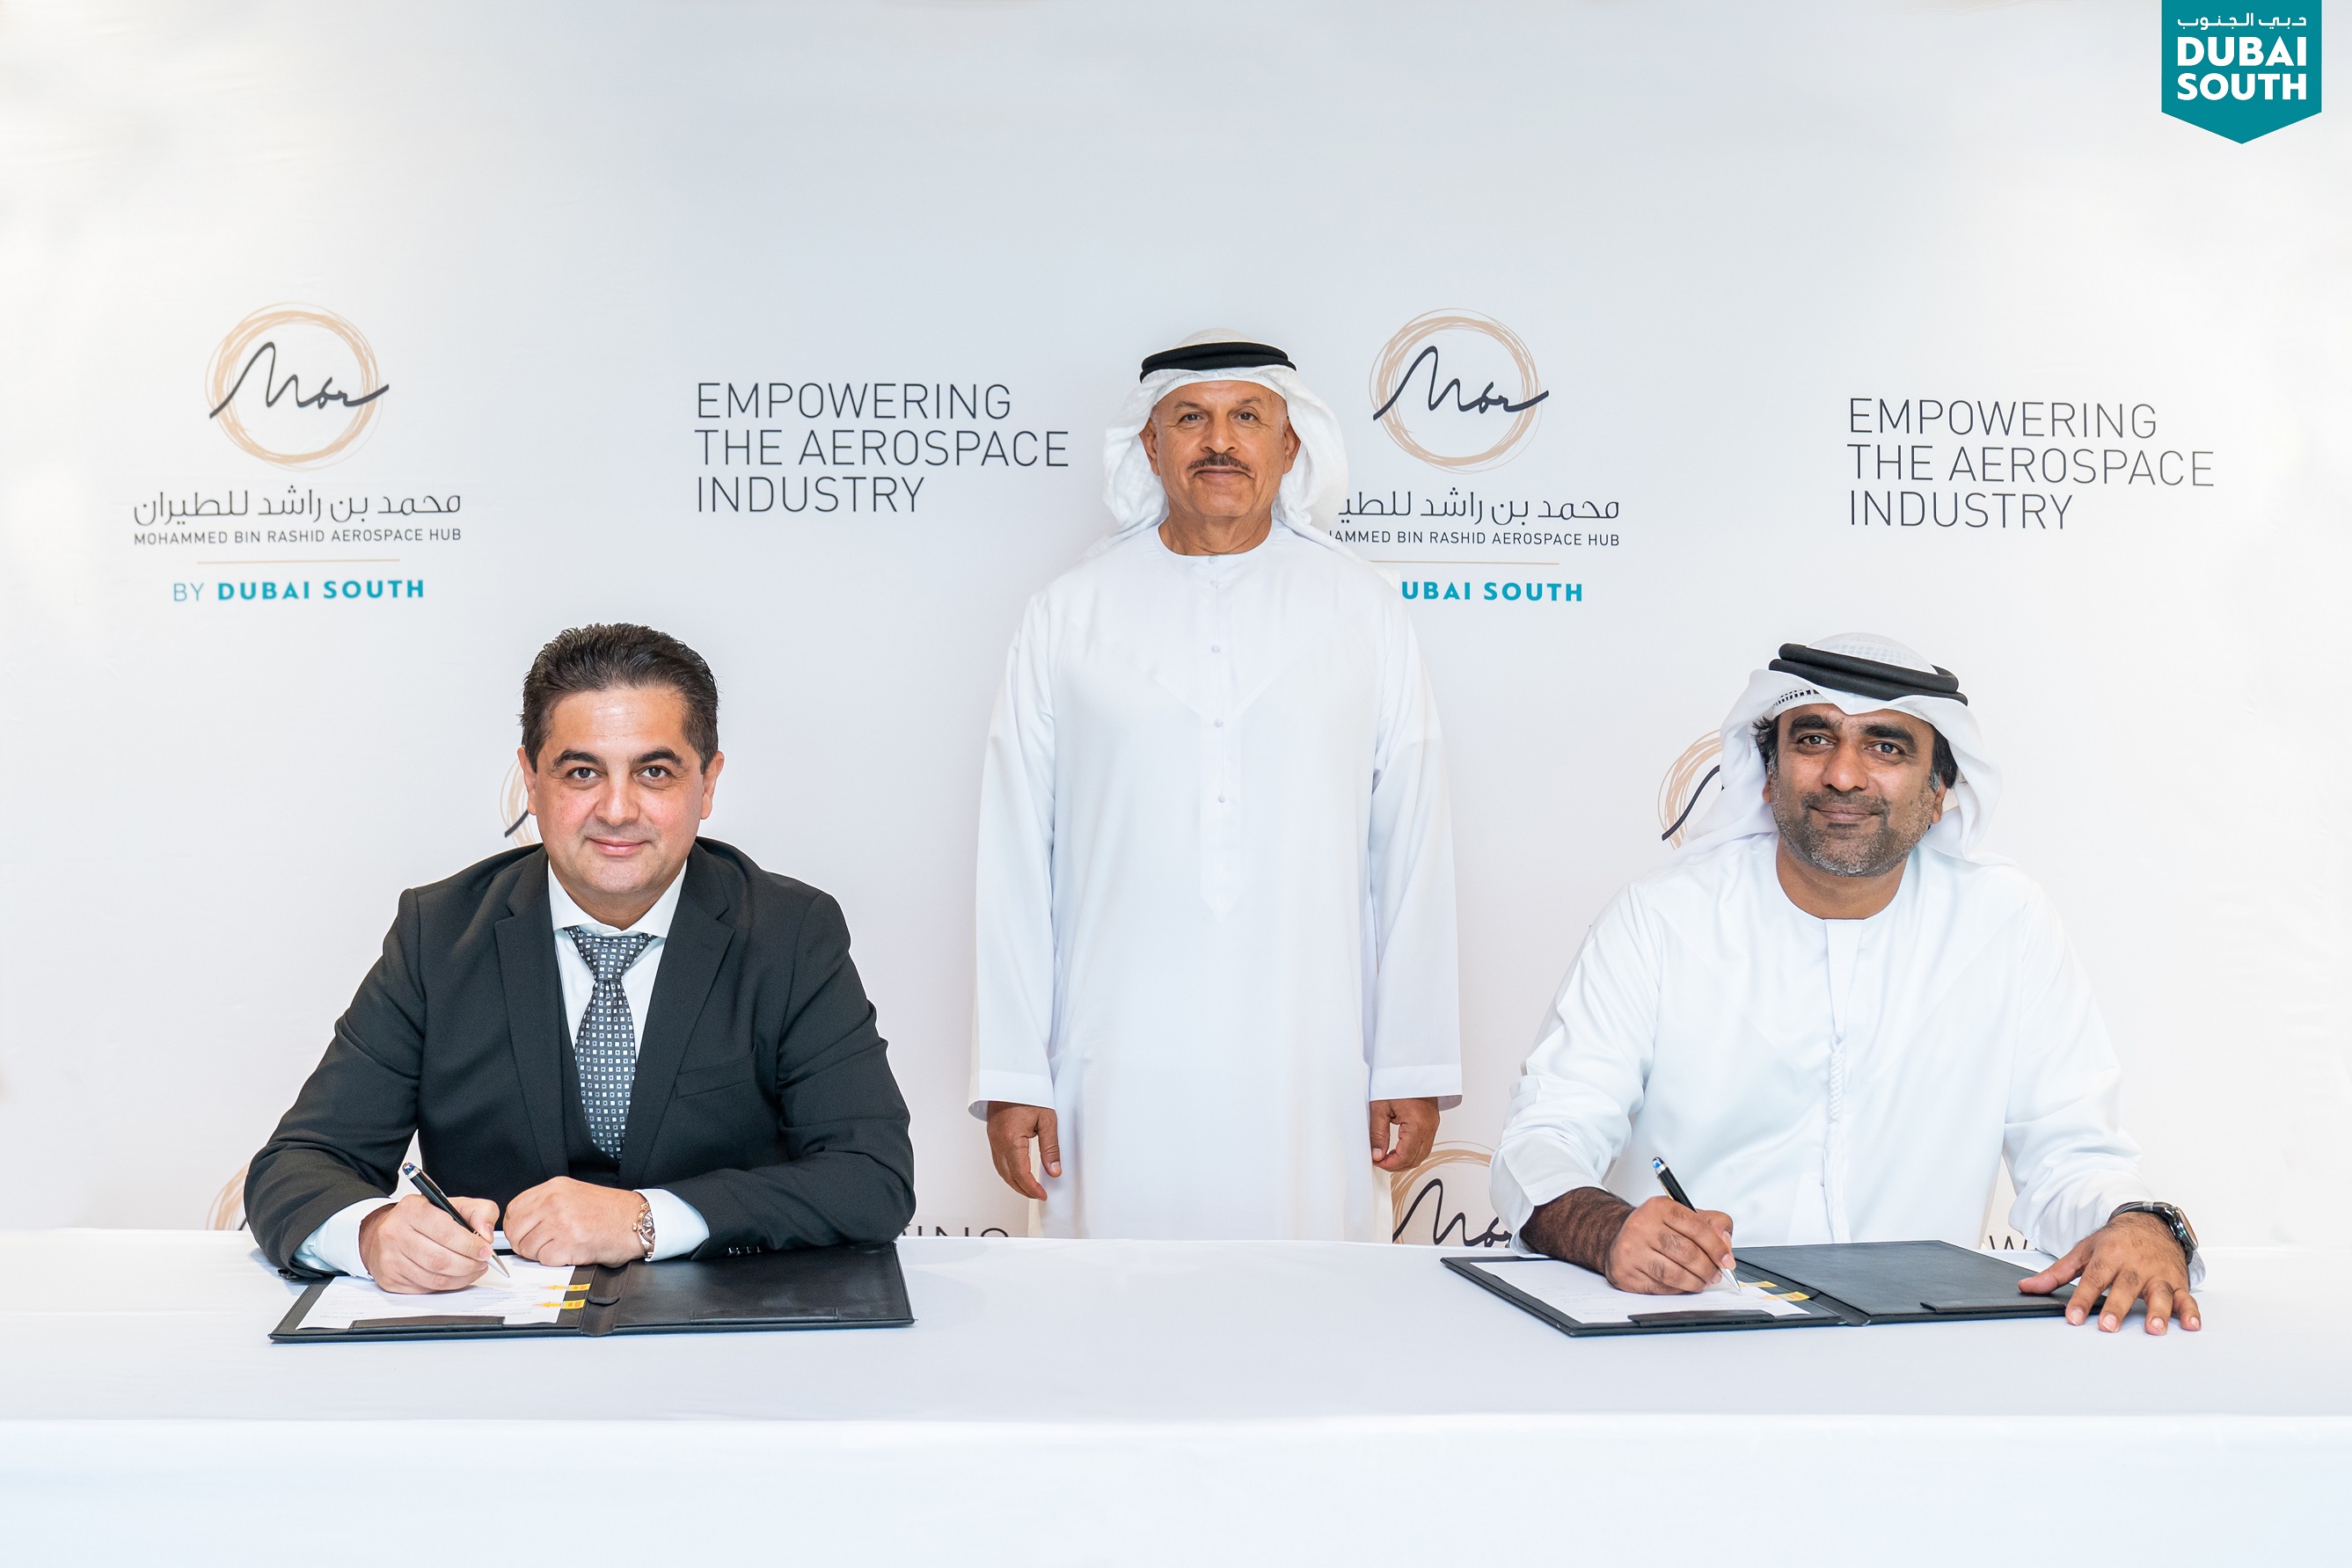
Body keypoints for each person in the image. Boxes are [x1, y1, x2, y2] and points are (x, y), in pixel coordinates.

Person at [1493, 634, 2202, 1334]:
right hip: (1696, 1332)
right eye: (1813, 740)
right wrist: (1609, 1231)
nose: (1843, 775)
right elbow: (1543, 1141)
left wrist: (2138, 1220)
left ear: (1939, 793)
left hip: (1923, 1347)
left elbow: (2070, 1154)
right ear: (1768, 775)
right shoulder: (1660, 918)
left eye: (1886, 747)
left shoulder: (2005, 921)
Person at [968, 332, 1461, 1240]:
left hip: (1313, 1062)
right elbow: (1015, 856)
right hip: (1111, 1065)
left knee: (1313, 1297)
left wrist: (1411, 1061)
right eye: (1191, 418)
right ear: (1149, 445)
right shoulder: (1067, 614)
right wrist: (1012, 1073)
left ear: (1291, 443)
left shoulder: (1363, 609)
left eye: (1247, 417)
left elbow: (1411, 846)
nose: (1219, 441)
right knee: (1111, 1302)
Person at [245, 624, 915, 1291]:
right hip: (498, 1330)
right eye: (582, 773)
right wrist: (372, 1234)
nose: (617, 810)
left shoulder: (790, 934)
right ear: (531, 782)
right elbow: (297, 1165)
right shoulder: (438, 935)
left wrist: (648, 1219)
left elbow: (871, 1175)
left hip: (729, 1325)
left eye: (655, 772)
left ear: (708, 784)